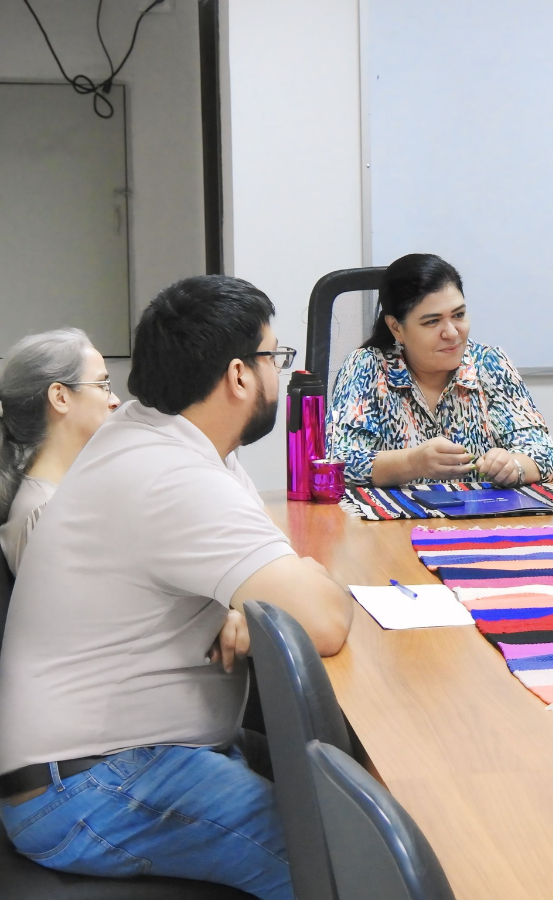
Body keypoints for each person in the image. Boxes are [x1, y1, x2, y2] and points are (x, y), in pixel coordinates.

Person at [0, 276, 354, 897]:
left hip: (134, 756)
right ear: (240, 375)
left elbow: (276, 571)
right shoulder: (168, 475)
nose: (283, 374)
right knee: (345, 863)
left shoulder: (171, 440)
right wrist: (269, 593)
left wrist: (258, 595)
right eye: (278, 357)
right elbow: (322, 618)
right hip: (87, 786)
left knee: (360, 784)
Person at [327, 253, 553, 487]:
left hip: (480, 519)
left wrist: (513, 466)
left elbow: (542, 453)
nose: (451, 333)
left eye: (458, 315)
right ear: (396, 328)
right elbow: (336, 463)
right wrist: (412, 463)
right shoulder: (367, 367)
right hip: (394, 522)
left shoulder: (489, 363)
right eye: (432, 321)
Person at [0, 329, 120, 573]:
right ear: (60, 397)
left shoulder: (59, 498)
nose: (115, 400)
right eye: (102, 384)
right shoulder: (42, 512)